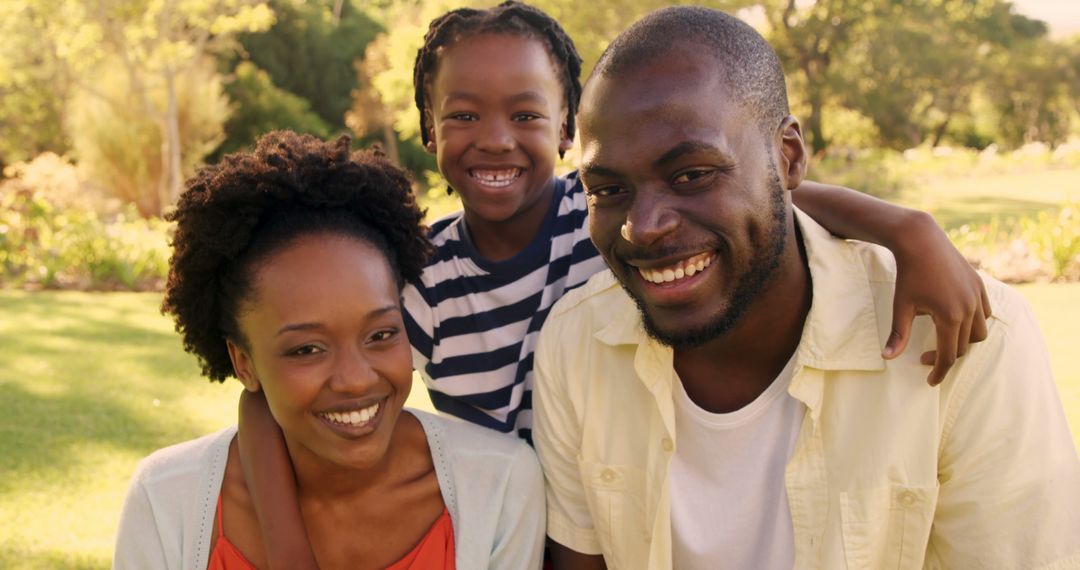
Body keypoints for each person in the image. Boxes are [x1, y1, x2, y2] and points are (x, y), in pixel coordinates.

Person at [239, 2, 994, 566]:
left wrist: (905, 228)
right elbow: (280, 383)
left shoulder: (604, 217)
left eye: (526, 113)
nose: (496, 137)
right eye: (463, 114)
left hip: (605, 525)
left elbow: (749, 200)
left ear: (568, 131)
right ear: (429, 132)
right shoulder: (419, 273)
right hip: (494, 538)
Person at [533, 6, 1080, 569]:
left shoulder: (968, 340)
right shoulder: (579, 344)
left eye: (692, 174)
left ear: (787, 156)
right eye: (608, 190)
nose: (643, 226)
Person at [112, 132, 546, 569]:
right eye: (307, 349)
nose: (356, 378)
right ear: (244, 363)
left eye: (380, 335)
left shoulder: (499, 486)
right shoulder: (166, 500)